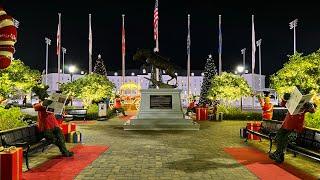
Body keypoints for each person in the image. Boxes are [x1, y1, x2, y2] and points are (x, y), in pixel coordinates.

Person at [269, 93, 316, 163]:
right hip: (286, 124)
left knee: (285, 139)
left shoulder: (305, 104)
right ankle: (279, 155)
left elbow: (313, 111)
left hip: (294, 128)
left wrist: (311, 106)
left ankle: (278, 154)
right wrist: (285, 98)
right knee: (278, 138)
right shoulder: (292, 100)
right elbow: (282, 104)